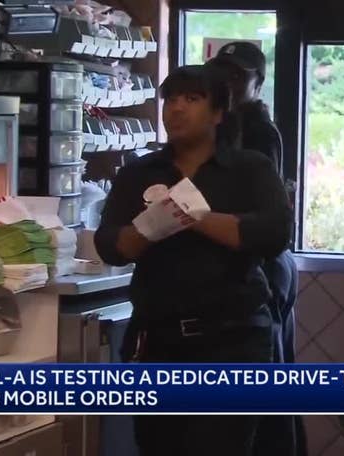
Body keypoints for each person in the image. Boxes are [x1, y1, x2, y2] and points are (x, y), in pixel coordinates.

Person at [94, 64, 291, 455]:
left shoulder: (249, 169)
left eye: (192, 99)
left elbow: (272, 234)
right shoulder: (139, 173)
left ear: (218, 113)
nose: (176, 109)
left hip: (234, 343)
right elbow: (110, 247)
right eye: (170, 99)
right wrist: (152, 225)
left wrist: (191, 215)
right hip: (156, 342)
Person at [208, 42, 304, 456]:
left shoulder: (257, 130)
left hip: (265, 265)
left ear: (258, 83)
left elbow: (252, 211)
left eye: (238, 76)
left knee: (269, 378)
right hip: (259, 265)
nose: (228, 83)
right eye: (222, 74)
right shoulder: (227, 124)